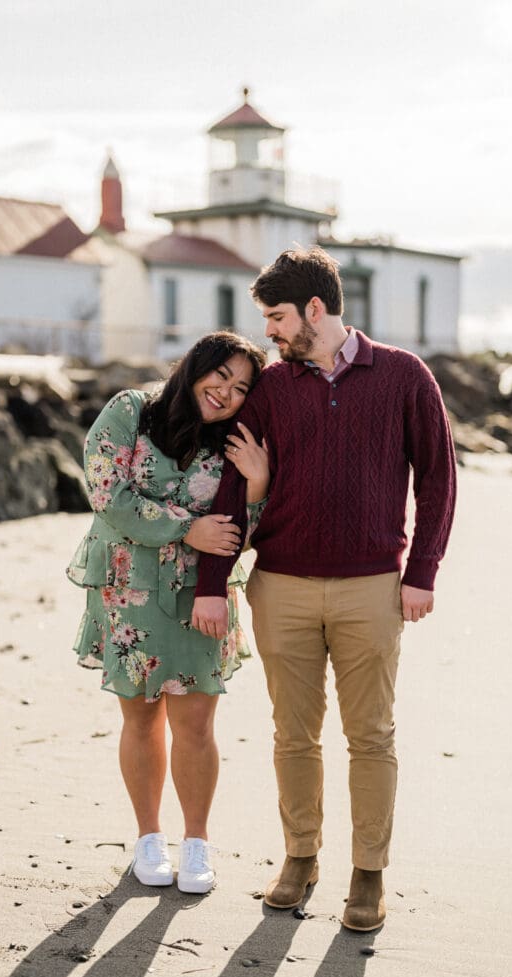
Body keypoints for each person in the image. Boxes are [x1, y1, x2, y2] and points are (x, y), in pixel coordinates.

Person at [192, 248, 457, 930]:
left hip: (371, 586)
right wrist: (213, 584)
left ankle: (367, 875)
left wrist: (421, 571)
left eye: (276, 318)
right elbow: (231, 482)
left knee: (370, 734)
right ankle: (299, 858)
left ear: (315, 308)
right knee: (292, 735)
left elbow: (436, 478)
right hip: (280, 585)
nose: (270, 333)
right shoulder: (273, 389)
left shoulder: (403, 375)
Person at [67, 332, 268, 895]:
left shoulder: (234, 442)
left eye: (240, 388)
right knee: (140, 717)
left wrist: (258, 483)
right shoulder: (132, 411)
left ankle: (197, 843)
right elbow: (108, 492)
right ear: (195, 367)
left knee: (197, 723)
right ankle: (148, 838)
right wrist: (187, 527)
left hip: (198, 592)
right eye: (219, 377)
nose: (225, 393)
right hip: (126, 589)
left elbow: (245, 530)